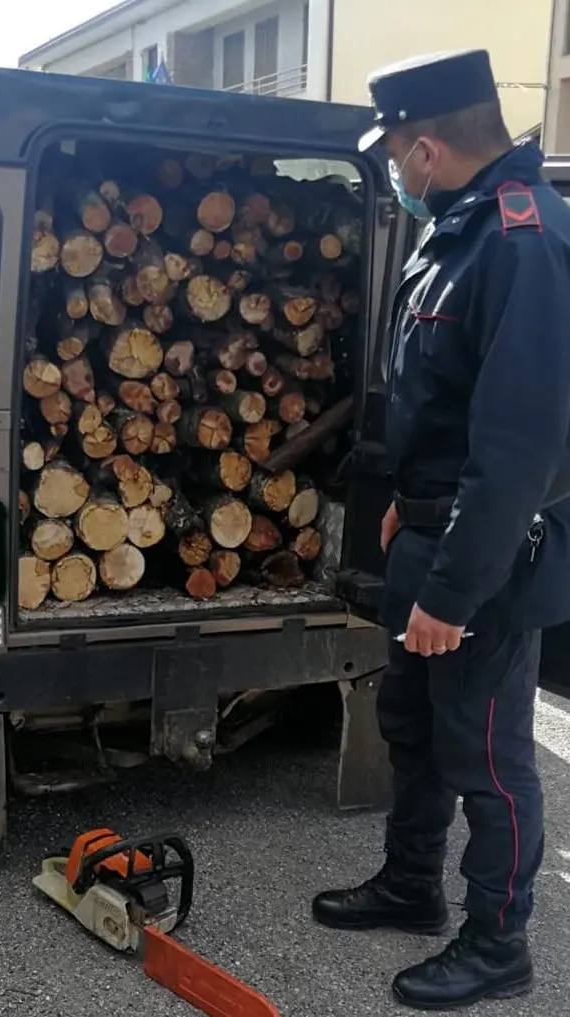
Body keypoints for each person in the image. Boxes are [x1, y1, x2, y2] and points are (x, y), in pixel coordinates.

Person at [310, 49, 570, 1010]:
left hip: (488, 561)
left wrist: (451, 592)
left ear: (425, 148)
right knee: (411, 727)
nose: (391, 171)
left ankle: (497, 943)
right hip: (429, 526)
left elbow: (520, 448)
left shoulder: (523, 242)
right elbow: (446, 402)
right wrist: (405, 502)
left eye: (390, 154)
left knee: (490, 758)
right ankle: (409, 884)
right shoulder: (458, 231)